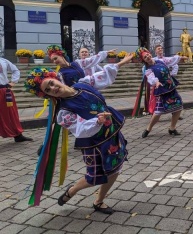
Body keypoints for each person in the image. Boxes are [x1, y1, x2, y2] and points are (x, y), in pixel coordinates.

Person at [24, 53, 134, 213]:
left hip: (111, 132)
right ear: (48, 95)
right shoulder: (63, 112)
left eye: (51, 84)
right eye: (48, 90)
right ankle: (73, 190)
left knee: (116, 168)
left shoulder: (83, 84)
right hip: (94, 142)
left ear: (55, 78)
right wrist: (97, 121)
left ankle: (99, 201)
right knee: (94, 177)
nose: (54, 89)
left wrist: (123, 61)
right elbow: (79, 129)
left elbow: (104, 74)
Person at [134, 47, 186, 138]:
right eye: (145, 57)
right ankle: (148, 129)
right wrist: (156, 82)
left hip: (171, 87)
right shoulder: (148, 69)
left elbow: (171, 61)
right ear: (144, 60)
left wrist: (180, 58)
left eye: (148, 55)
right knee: (158, 112)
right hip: (162, 90)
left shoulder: (161, 61)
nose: (148, 57)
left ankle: (172, 128)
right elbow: (151, 78)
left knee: (179, 106)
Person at [0, 57, 32, 142]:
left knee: (11, 113)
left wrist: (13, 81)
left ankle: (18, 135)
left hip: (4, 91)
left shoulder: (3, 60)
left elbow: (15, 70)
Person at [47, 45, 112, 87]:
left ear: (61, 55)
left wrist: (105, 53)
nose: (54, 62)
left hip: (90, 88)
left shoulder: (76, 64)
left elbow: (93, 60)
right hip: (77, 95)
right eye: (53, 60)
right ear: (79, 54)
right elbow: (64, 87)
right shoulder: (60, 73)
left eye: (55, 58)